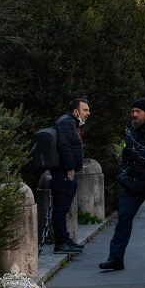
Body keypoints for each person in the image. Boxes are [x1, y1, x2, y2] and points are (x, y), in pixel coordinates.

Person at [100, 99, 145, 271]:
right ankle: (115, 258)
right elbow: (125, 155)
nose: (134, 115)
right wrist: (124, 174)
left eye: (137, 111)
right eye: (132, 111)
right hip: (134, 185)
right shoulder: (130, 132)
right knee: (124, 218)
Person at [50, 99, 89, 255]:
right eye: (85, 110)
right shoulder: (67, 123)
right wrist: (70, 168)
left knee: (64, 208)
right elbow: (64, 146)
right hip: (64, 174)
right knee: (60, 208)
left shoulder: (70, 122)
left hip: (65, 172)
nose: (88, 113)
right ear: (76, 112)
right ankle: (60, 243)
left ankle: (65, 239)